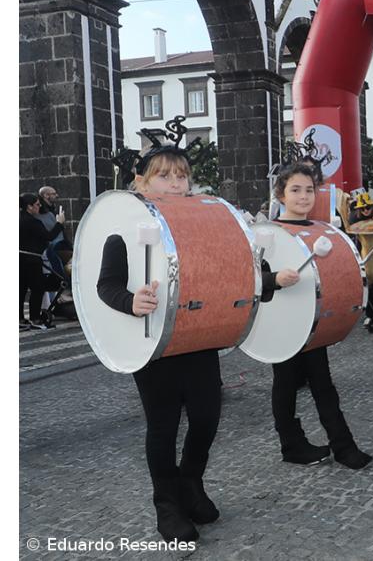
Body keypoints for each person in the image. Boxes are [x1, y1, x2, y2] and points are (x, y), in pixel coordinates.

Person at [95, 148, 221, 543]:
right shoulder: (122, 228)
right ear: (141, 183)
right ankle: (167, 506)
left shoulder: (201, 225)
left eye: (181, 176)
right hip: (153, 345)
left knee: (206, 418)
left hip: (199, 336)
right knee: (163, 427)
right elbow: (106, 285)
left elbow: (226, 271)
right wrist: (130, 301)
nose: (176, 184)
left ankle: (191, 484)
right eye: (164, 176)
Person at [259, 162, 373, 469]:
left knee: (323, 385)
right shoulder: (269, 232)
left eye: (309, 190)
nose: (303, 196)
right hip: (281, 322)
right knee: (285, 384)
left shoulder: (320, 229)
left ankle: (343, 446)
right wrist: (274, 279)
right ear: (281, 194)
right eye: (295, 190)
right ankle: (292, 444)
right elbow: (250, 278)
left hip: (312, 321)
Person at [20, 193, 65, 329]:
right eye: (37, 205)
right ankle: (35, 318)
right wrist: (59, 223)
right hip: (32, 259)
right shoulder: (33, 222)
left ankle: (20, 319)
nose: (39, 207)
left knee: (21, 289)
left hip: (21, 257)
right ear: (29, 207)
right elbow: (49, 236)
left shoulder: (20, 219)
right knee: (37, 289)